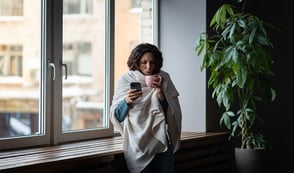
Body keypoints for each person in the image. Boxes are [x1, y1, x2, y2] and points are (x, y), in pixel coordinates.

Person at [110, 43, 182, 173]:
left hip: (160, 141)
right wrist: (127, 101)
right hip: (136, 142)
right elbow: (117, 116)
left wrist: (160, 92)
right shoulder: (126, 80)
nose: (148, 67)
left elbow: (172, 113)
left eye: (152, 62)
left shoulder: (164, 78)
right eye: (144, 62)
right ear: (136, 62)